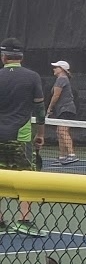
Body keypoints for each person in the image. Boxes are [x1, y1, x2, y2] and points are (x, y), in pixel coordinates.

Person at [0, 38, 46, 237]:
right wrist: (41, 134)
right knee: (26, 177)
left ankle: (0, 221)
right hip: (21, 136)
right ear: (21, 57)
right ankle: (24, 219)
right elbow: (40, 109)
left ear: (4, 57)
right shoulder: (32, 77)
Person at [47, 60, 79, 165]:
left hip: (67, 109)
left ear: (62, 69)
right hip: (62, 109)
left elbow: (56, 96)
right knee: (59, 131)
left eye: (56, 67)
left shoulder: (61, 79)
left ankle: (71, 155)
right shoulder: (61, 79)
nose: (54, 69)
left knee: (62, 131)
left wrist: (49, 108)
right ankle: (62, 156)